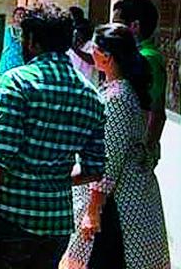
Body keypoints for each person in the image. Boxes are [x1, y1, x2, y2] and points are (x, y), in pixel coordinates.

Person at [0, 4, 106, 269]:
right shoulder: (92, 96)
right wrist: (52, 177)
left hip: (9, 221)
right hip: (55, 228)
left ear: (32, 41)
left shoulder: (17, 83)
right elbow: (95, 168)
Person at [65, 23, 170, 269]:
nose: (91, 52)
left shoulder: (118, 98)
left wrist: (92, 212)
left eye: (94, 47)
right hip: (119, 199)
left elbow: (109, 162)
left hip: (116, 205)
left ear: (107, 57)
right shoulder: (119, 90)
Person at [112, 0, 166, 167]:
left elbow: (154, 111)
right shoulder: (136, 55)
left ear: (134, 26)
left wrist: (145, 151)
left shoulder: (146, 58)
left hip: (133, 153)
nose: (113, 29)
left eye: (117, 24)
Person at [0, 7, 26, 76]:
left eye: (22, 15)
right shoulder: (9, 29)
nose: (20, 16)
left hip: (20, 59)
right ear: (14, 15)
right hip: (8, 58)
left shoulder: (25, 30)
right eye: (18, 14)